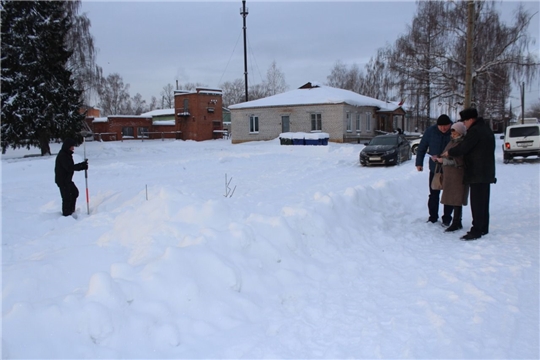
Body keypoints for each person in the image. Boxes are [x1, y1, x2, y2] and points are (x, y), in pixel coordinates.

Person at [442, 108, 496, 240]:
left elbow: (464, 147)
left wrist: (449, 153)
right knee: (483, 201)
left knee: (477, 202)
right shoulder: (486, 129)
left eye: (465, 121)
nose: (464, 124)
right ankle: (483, 227)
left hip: (477, 171)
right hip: (486, 171)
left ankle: (476, 230)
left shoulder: (475, 131)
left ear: (471, 119)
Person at [415, 114, 454, 226]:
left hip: (450, 168)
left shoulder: (454, 131)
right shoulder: (430, 131)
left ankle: (447, 218)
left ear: (450, 124)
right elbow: (422, 147)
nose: (443, 128)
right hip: (435, 168)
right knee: (433, 193)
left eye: (446, 126)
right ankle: (433, 217)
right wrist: (419, 163)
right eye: (441, 126)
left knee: (448, 194)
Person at [432, 122, 469, 232]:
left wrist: (443, 160)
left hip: (458, 174)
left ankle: (457, 221)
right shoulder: (452, 142)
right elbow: (447, 154)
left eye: (455, 133)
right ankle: (455, 221)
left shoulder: (462, 143)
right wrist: (439, 158)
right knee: (452, 198)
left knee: (457, 198)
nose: (452, 134)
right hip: (450, 174)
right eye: (452, 132)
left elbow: (459, 160)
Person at [55, 138, 88, 216]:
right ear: (67, 147)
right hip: (62, 180)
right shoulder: (63, 155)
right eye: (72, 146)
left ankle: (71, 210)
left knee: (74, 193)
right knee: (67, 198)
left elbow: (70, 167)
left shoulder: (67, 154)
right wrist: (81, 166)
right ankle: (66, 214)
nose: (73, 148)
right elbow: (69, 167)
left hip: (67, 180)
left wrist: (82, 165)